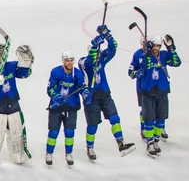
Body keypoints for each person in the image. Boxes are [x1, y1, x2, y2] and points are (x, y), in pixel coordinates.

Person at [77, 25, 135, 160]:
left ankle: (121, 143)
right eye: (96, 53)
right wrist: (94, 45)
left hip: (105, 94)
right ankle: (90, 148)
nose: (98, 55)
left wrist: (107, 34)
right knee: (93, 125)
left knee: (115, 118)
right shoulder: (83, 62)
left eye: (98, 53)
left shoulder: (102, 59)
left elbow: (113, 47)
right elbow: (90, 61)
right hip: (91, 97)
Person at [0, 42, 34, 167]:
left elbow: (25, 73)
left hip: (13, 103)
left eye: (5, 54)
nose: (3, 57)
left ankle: (19, 154)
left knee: (17, 131)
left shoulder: (12, 66)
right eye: (0, 55)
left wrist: (27, 60)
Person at [135, 34, 181, 157]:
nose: (157, 48)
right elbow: (133, 72)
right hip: (148, 92)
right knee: (149, 119)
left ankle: (155, 140)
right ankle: (149, 142)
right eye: (154, 45)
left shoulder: (164, 55)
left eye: (159, 46)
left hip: (162, 91)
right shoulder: (143, 56)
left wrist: (171, 48)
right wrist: (141, 70)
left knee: (161, 118)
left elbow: (177, 62)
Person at [46, 52, 87, 166]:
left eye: (71, 60)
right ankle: (49, 153)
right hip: (56, 107)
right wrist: (56, 96)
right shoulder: (56, 72)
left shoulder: (78, 74)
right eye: (67, 60)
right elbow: (50, 88)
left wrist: (85, 93)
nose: (70, 63)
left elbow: (81, 88)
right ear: (63, 61)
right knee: (53, 132)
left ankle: (69, 153)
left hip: (71, 106)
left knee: (69, 132)